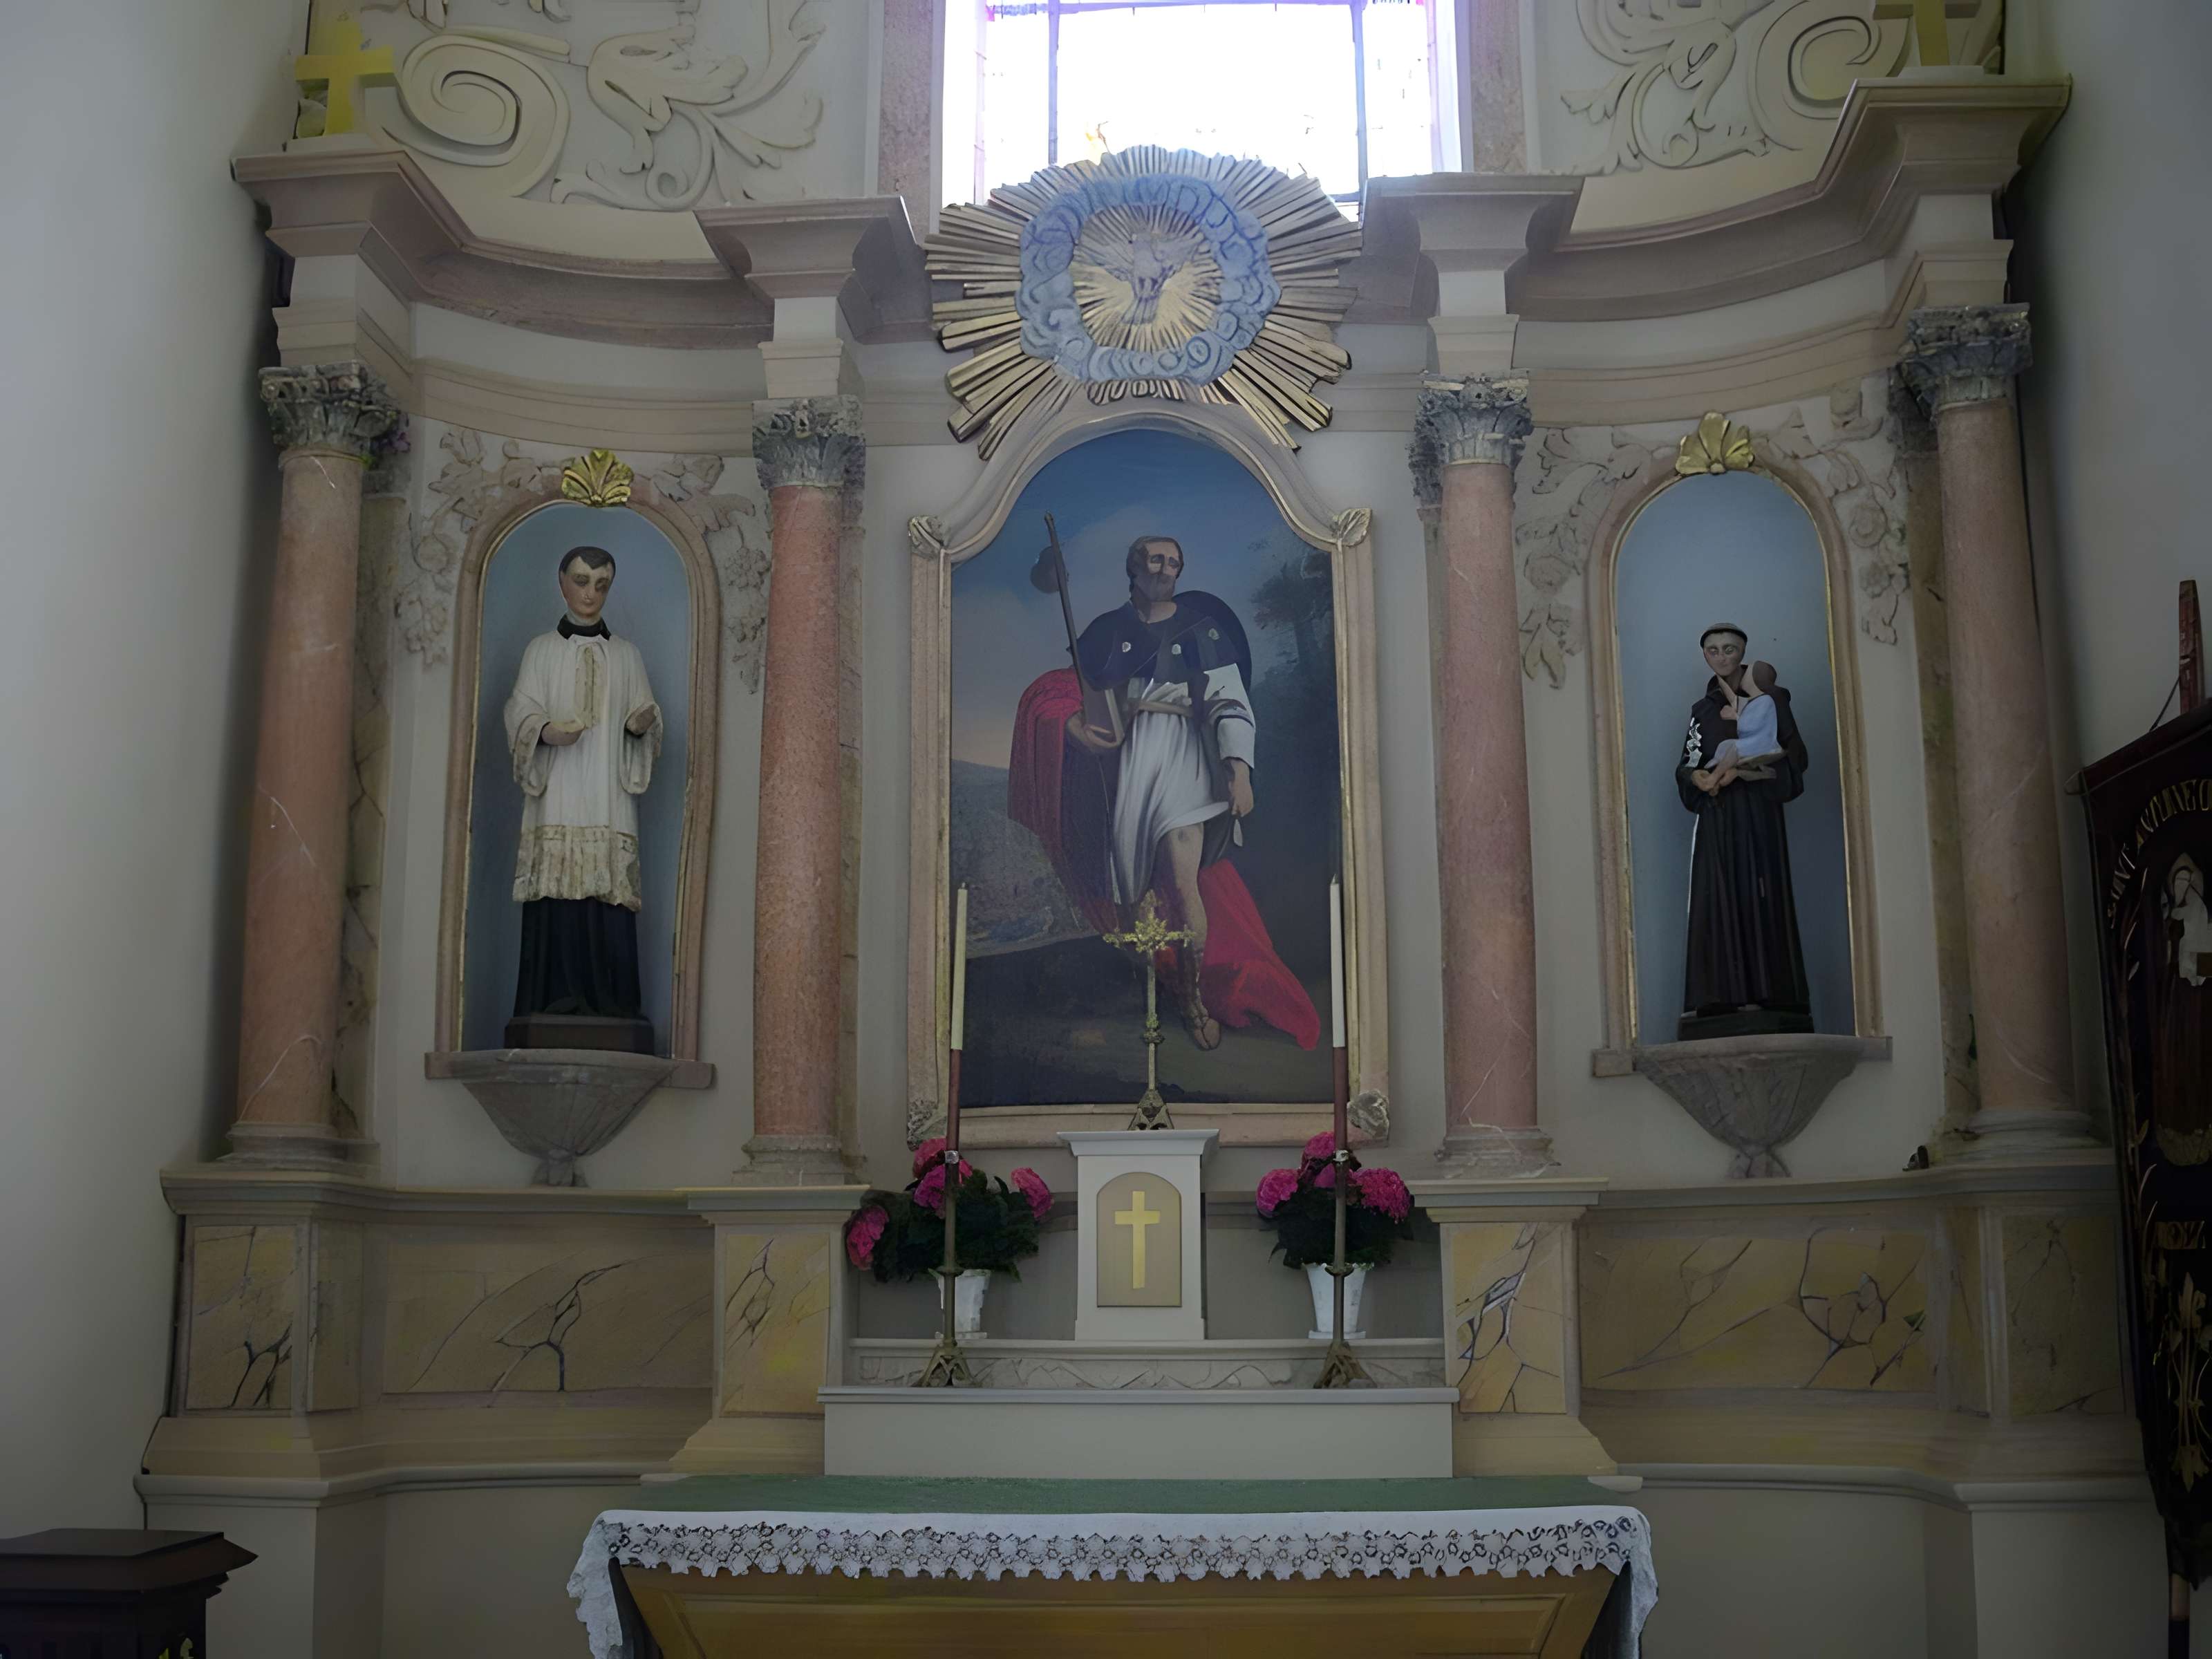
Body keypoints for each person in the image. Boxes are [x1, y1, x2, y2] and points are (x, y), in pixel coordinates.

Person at [1006, 534, 1318, 1053]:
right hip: (1130, 765)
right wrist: (1073, 728)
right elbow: (1069, 694)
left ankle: (1195, 1000)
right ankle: (1170, 984)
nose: (1166, 569)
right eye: (1156, 560)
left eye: (1174, 562)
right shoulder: (1108, 630)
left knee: (1181, 879)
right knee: (1130, 893)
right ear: (1135, 567)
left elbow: (1230, 702)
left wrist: (1238, 769)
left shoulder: (1202, 629)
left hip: (1184, 756)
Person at [503, 546, 663, 1050]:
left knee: (606, 897)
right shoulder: (540, 651)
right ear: (562, 583)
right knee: (558, 896)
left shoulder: (627, 655)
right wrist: (546, 731)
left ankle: (611, 1003)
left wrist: (642, 725)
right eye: (581, 580)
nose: (590, 592)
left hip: (608, 797)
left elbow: (645, 714)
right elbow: (519, 708)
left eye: (601, 584)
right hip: (559, 792)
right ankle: (552, 1000)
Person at [1676, 624, 1812, 1039]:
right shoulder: (1703, 710)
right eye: (1714, 650)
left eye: (1730, 649)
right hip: (1719, 820)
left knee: (1761, 894)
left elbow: (1796, 757)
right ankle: (1720, 995)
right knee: (1718, 897)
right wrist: (1695, 778)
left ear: (1743, 653)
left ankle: (1771, 993)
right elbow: (1689, 759)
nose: (1722, 656)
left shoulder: (1772, 700)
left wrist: (1755, 772)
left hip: (1758, 819)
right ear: (1706, 657)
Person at [1705, 658, 1783, 789]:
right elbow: (1733, 699)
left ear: (1755, 680)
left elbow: (1750, 726)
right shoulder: (1752, 701)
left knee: (1736, 747)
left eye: (1746, 674)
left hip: (1763, 742)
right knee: (1725, 745)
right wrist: (1719, 674)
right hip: (1753, 741)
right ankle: (1714, 772)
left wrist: (1735, 716)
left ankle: (1712, 779)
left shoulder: (1766, 700)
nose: (1742, 676)